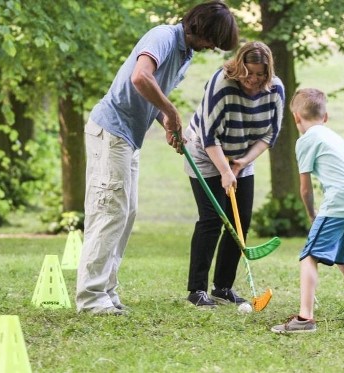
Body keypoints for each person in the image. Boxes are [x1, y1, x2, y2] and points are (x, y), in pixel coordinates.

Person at [76, 1, 239, 315]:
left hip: (128, 137)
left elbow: (147, 94)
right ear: (200, 28)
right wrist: (171, 111)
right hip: (110, 132)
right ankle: (91, 297)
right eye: (212, 40)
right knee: (110, 212)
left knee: (126, 213)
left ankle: (106, 292)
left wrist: (165, 121)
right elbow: (140, 78)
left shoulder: (184, 54)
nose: (211, 47)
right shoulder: (163, 36)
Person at [183, 41, 284, 308]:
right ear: (239, 66)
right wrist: (225, 171)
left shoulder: (275, 90)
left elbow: (270, 134)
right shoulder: (222, 85)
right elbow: (208, 136)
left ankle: (223, 287)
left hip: (241, 154)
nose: (254, 79)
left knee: (241, 222)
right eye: (249, 72)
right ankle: (196, 290)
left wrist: (241, 163)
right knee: (212, 220)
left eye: (260, 73)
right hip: (206, 153)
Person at [271, 88, 344, 334]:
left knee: (309, 255)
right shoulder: (336, 137)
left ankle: (304, 318)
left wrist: (311, 214)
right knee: (341, 254)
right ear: (326, 116)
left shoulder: (307, 140)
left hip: (340, 204)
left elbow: (306, 189)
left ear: (296, 117)